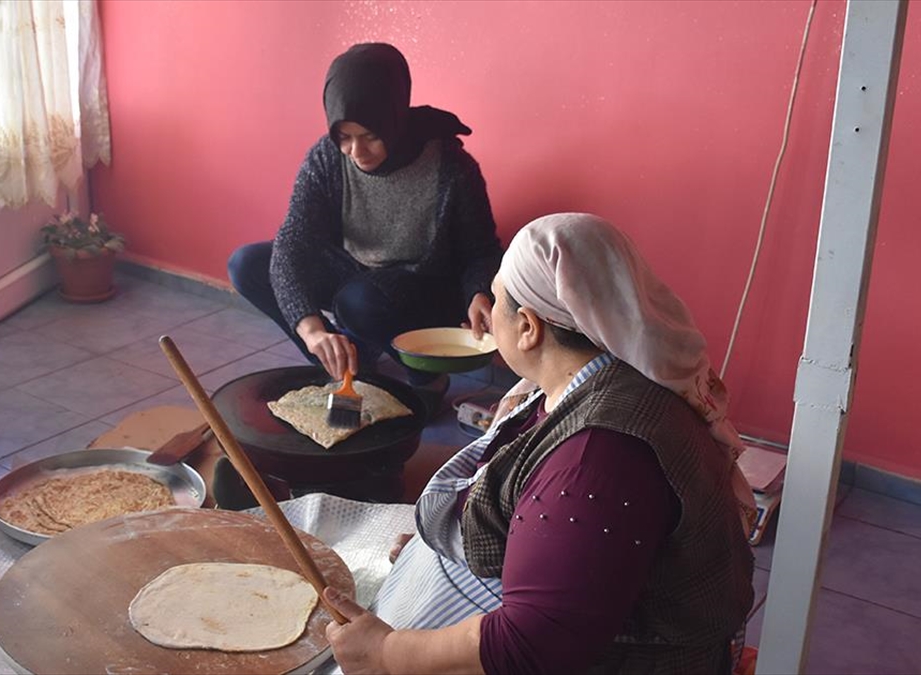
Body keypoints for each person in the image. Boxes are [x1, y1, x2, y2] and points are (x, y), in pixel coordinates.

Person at [319, 213, 758, 674]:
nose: (487, 314)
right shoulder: (599, 379)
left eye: (496, 298)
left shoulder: (598, 459)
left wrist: (388, 654)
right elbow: (568, 536)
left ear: (528, 327)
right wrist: (439, 552)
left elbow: (535, 643)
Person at [227, 43, 503, 383]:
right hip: (354, 271)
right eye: (344, 137)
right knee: (247, 264)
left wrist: (479, 292)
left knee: (358, 301)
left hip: (422, 286)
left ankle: (424, 376)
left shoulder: (451, 166)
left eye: (371, 136)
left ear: (395, 120)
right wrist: (312, 331)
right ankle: (344, 360)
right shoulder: (327, 159)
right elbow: (293, 244)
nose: (357, 152)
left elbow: (482, 251)